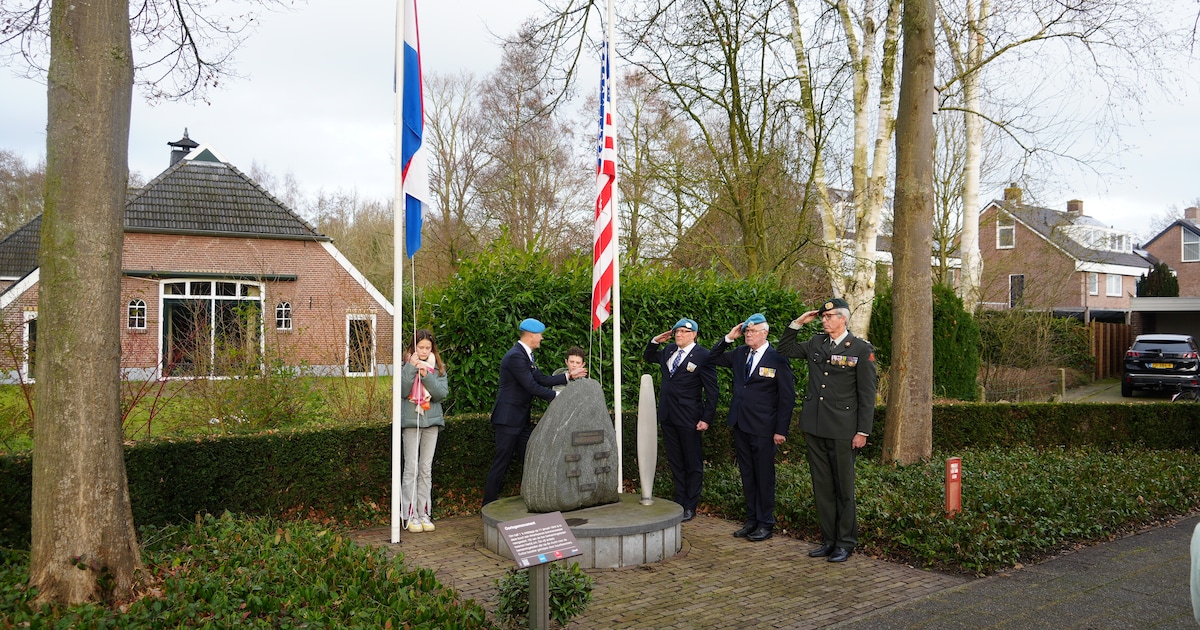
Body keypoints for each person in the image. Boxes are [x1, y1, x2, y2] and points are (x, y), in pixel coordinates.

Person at [777, 297, 877, 563]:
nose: (824, 320)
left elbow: (867, 395)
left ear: (843, 319)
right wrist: (797, 323)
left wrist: (862, 431)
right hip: (815, 425)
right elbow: (784, 349)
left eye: (829, 317)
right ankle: (829, 539)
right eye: (822, 317)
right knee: (822, 487)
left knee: (843, 488)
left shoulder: (860, 348)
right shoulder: (816, 343)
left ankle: (845, 542)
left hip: (844, 429)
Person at [706, 313, 795, 542]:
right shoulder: (740, 353)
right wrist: (728, 338)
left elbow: (787, 398)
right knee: (747, 474)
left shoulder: (778, 358)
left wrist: (781, 430)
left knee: (764, 476)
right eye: (746, 331)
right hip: (741, 423)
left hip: (764, 428)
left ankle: (766, 522)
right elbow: (711, 359)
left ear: (765, 332)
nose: (748, 334)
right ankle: (752, 519)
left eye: (753, 331)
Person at [483, 318, 587, 506]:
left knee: (532, 458)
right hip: (508, 419)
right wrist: (558, 396)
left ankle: (538, 497)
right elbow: (531, 386)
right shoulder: (516, 356)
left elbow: (541, 378)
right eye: (539, 335)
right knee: (501, 463)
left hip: (521, 420)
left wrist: (568, 376)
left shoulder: (526, 355)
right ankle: (488, 505)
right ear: (531, 335)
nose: (541, 338)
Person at [643, 318, 718, 522]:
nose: (679, 335)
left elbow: (712, 391)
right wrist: (655, 341)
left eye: (684, 331)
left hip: (690, 417)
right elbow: (649, 356)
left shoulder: (703, 355)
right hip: (668, 415)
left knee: (692, 462)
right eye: (677, 331)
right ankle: (679, 500)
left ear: (694, 334)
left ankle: (690, 505)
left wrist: (706, 418)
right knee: (676, 460)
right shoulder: (668, 351)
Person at [399, 329, 449, 533]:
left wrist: (426, 375)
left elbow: (441, 393)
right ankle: (409, 514)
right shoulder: (406, 364)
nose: (423, 351)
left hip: (432, 423)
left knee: (425, 470)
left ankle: (424, 513)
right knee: (411, 468)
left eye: (427, 348)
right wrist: (412, 368)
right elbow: (401, 391)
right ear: (413, 347)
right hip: (412, 422)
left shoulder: (438, 368)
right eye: (420, 347)